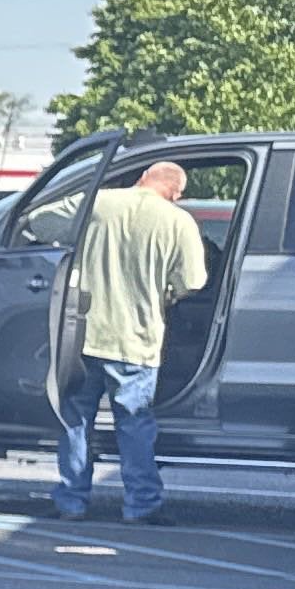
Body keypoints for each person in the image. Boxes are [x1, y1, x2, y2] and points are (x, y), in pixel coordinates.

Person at [55, 159, 208, 522]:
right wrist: (166, 292)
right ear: (175, 192)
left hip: (85, 335)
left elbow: (40, 221)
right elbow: (194, 281)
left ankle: (71, 502)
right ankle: (141, 505)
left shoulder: (98, 203)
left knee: (76, 421)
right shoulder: (178, 221)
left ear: (142, 178)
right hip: (137, 341)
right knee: (134, 424)